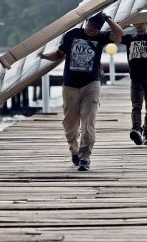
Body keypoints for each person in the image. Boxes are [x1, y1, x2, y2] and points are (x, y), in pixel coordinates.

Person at [40, 12, 123, 171]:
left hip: (91, 84)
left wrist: (108, 19)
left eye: (97, 28)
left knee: (88, 122)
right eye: (92, 26)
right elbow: (59, 54)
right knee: (70, 124)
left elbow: (119, 33)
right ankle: (74, 150)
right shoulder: (72, 34)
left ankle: (85, 157)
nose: (94, 30)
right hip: (70, 85)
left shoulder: (102, 37)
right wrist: (43, 56)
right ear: (86, 22)